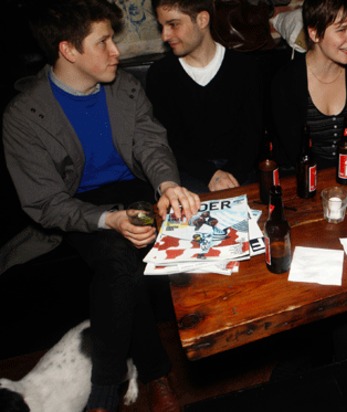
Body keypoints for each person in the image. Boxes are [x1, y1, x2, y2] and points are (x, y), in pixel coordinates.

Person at [1, 0, 201, 410]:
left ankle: (109, 392)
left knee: (132, 258)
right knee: (118, 260)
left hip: (135, 188)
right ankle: (148, 377)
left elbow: (151, 143)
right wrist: (108, 220)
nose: (116, 52)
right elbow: (45, 203)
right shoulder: (24, 116)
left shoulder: (125, 88)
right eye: (104, 42)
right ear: (68, 50)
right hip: (78, 203)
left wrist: (167, 184)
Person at [146, 0, 263, 193]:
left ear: (202, 20)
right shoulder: (160, 74)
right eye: (162, 26)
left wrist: (231, 176)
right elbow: (169, 141)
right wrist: (211, 175)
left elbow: (252, 134)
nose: (165, 36)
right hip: (188, 174)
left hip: (240, 171)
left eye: (173, 24)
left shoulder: (244, 68)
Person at [269, 0, 347, 170]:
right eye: (342, 29)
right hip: (303, 177)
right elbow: (293, 153)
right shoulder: (286, 81)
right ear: (315, 33)